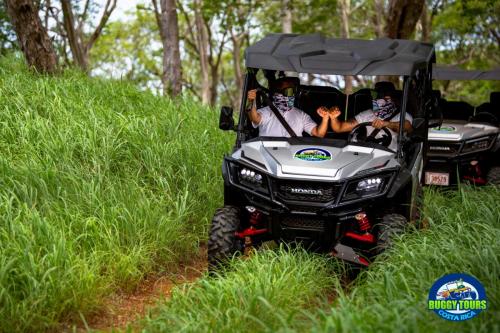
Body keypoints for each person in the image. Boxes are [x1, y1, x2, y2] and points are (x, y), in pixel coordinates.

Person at [324, 92, 413, 151]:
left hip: (387, 155)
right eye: (379, 97)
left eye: (386, 99)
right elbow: (339, 128)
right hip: (359, 152)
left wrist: (386, 124)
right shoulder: (368, 114)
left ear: (394, 100)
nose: (381, 101)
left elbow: (407, 127)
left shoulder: (402, 115)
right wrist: (333, 118)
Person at [246, 77, 330, 138]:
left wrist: (325, 118)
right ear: (277, 93)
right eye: (289, 91)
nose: (292, 95)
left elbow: (319, 133)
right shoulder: (267, 111)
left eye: (293, 92)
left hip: (292, 159)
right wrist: (251, 101)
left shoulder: (301, 115)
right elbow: (255, 118)